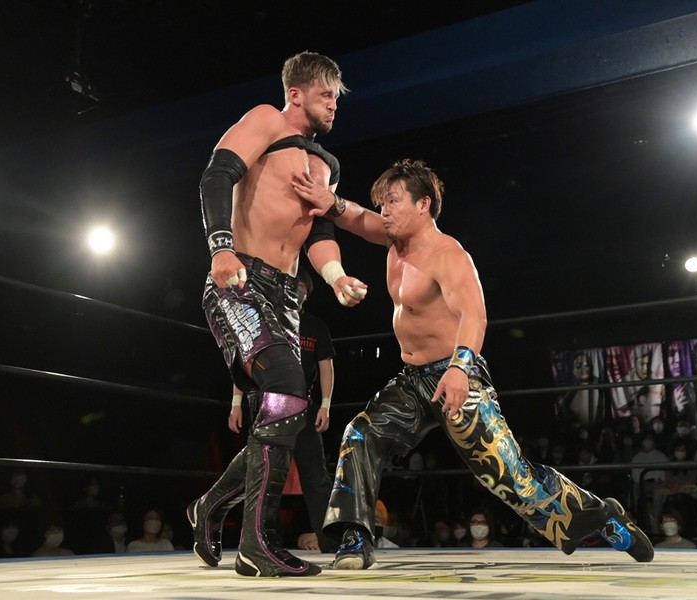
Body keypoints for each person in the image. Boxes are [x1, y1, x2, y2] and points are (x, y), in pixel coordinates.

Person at [291, 158, 654, 569]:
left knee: (509, 478)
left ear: (424, 204)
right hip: (413, 379)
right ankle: (355, 538)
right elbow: (357, 218)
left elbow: (474, 315)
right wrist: (331, 202)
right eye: (382, 203)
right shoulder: (395, 240)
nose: (384, 211)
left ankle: (602, 517)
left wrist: (460, 368)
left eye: (393, 201)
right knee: (361, 433)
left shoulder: (448, 255)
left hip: (456, 373)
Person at [187, 51, 366, 578]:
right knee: (287, 391)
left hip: (288, 296)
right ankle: (256, 543)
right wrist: (220, 248)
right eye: (326, 94)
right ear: (296, 93)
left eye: (337, 98)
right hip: (241, 277)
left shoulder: (328, 166)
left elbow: (320, 232)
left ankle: (211, 507)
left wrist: (337, 278)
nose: (334, 105)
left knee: (286, 413)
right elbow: (217, 174)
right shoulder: (267, 120)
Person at [227, 266, 338, 553]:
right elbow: (243, 363)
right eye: (292, 287)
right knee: (264, 475)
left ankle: (329, 540)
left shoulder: (314, 326)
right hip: (266, 404)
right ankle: (265, 542)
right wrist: (236, 404)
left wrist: (325, 405)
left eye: (301, 289)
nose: (295, 293)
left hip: (304, 406)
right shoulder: (264, 322)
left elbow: (326, 367)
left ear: (306, 295)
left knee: (316, 475)